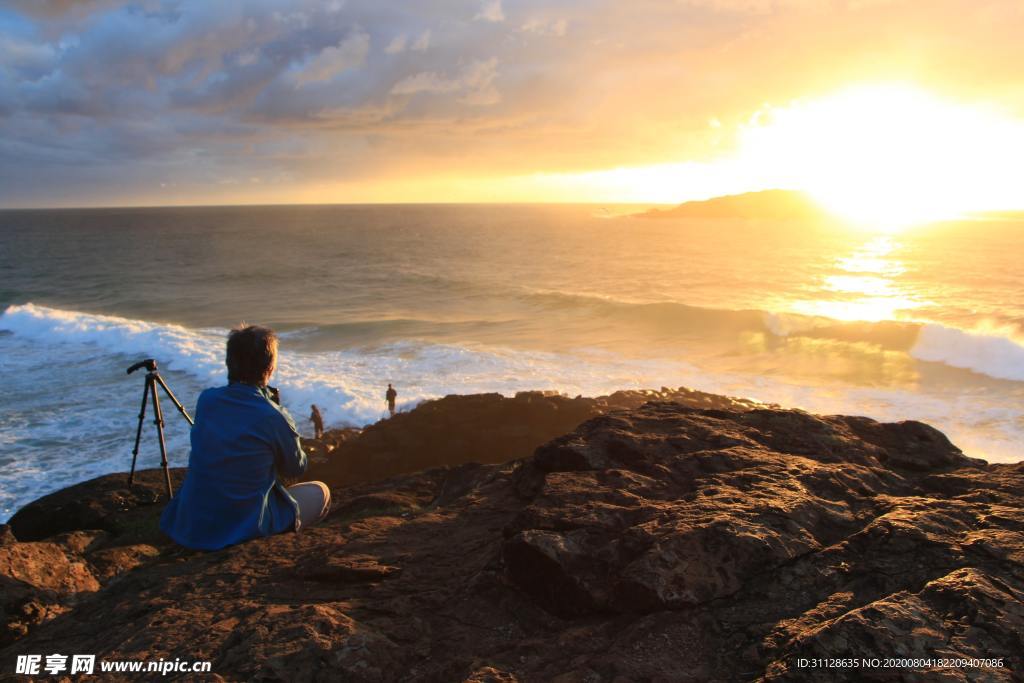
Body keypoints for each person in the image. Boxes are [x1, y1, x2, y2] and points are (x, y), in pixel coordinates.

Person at [160, 325, 331, 551]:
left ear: (229, 363)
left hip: (191, 525)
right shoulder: (272, 415)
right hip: (242, 527)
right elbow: (295, 468)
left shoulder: (207, 400)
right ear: (270, 367)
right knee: (321, 491)